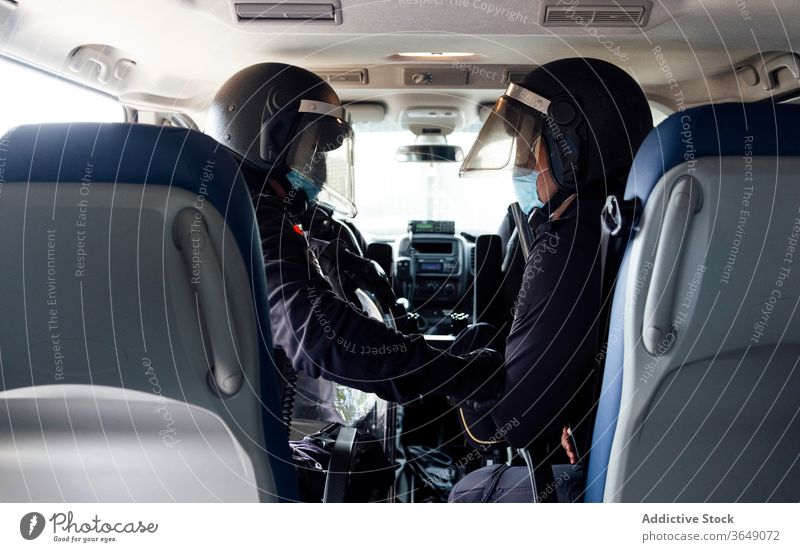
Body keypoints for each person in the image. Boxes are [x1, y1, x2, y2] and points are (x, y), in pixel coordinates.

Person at [205, 62, 503, 411]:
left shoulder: (226, 200)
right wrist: (459, 374)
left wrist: (333, 256)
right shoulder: (250, 212)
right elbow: (318, 333)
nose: (317, 165)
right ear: (272, 138)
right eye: (312, 147)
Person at [450, 57, 653, 502]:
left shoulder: (572, 240)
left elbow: (513, 421)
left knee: (469, 493)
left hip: (607, 481)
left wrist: (470, 365)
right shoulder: (640, 219)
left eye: (528, 148)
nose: (521, 166)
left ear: (569, 148)